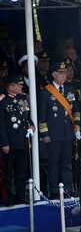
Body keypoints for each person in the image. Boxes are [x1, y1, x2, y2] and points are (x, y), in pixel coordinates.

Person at [38, 60, 81, 198]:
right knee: (53, 163)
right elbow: (42, 115)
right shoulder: (45, 92)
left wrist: (78, 125)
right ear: (54, 74)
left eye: (65, 73)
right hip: (53, 134)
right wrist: (44, 133)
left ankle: (68, 188)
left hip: (68, 132)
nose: (64, 75)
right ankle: (55, 191)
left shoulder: (70, 89)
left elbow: (77, 111)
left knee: (66, 162)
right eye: (61, 73)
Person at [0, 75, 35, 206]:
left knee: (21, 171)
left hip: (22, 141)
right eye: (19, 84)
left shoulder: (21, 98)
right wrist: (4, 143)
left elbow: (26, 115)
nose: (21, 86)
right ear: (11, 87)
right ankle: (7, 198)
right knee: (8, 173)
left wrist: (31, 125)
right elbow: (1, 125)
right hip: (9, 142)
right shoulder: (2, 101)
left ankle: (21, 196)